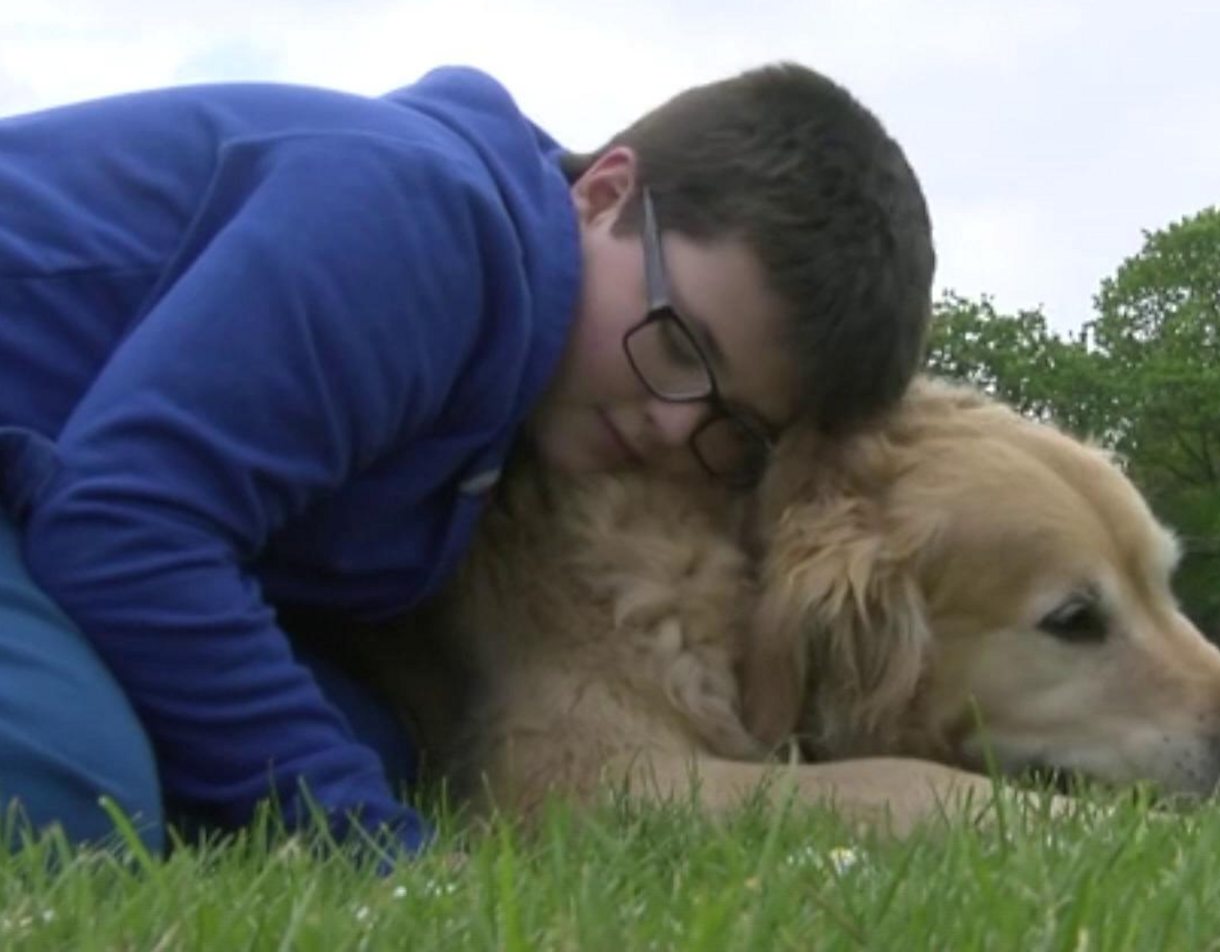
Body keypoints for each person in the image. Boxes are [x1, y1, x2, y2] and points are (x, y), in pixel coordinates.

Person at [0, 62, 934, 859]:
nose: (668, 424)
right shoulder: (421, 224)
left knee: (370, 740)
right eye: (682, 345)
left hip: (44, 492)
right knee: (68, 790)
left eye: (728, 427)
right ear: (605, 193)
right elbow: (123, 523)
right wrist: (373, 857)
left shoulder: (516, 385)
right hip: (67, 489)